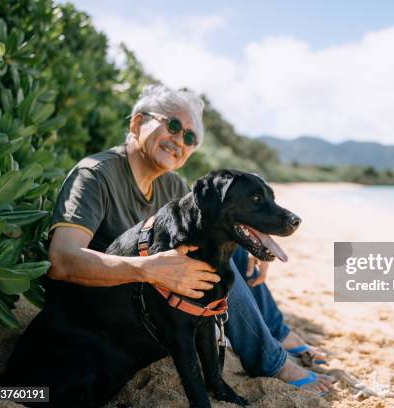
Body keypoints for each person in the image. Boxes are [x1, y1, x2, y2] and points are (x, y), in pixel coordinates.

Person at [47, 85, 333, 394]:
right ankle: (273, 362)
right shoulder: (95, 175)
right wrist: (147, 267)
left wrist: (254, 243)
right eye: (172, 125)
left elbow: (216, 225)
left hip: (155, 301)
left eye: (189, 138)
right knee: (209, 265)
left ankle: (280, 334)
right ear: (136, 123)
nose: (179, 140)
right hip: (108, 308)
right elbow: (62, 261)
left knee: (228, 246)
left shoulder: (172, 185)